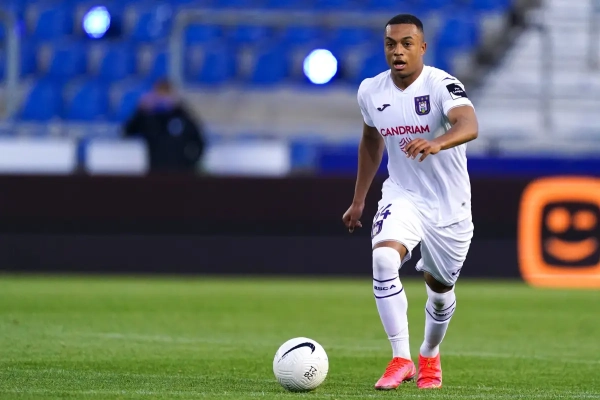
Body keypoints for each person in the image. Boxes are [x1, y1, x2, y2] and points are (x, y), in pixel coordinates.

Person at [342, 14, 479, 390]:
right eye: (391, 44)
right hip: (403, 194)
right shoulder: (371, 91)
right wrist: (359, 200)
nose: (398, 51)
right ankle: (400, 358)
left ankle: (429, 354)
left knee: (440, 294)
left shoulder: (442, 85)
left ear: (422, 47)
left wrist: (437, 142)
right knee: (384, 259)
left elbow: (469, 125)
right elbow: (371, 140)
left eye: (406, 44)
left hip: (449, 206)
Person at [123, 79, 205, 174]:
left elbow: (199, 142)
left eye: (166, 94)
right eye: (159, 95)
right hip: (156, 173)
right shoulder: (148, 118)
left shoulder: (182, 117)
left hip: (181, 173)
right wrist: (141, 110)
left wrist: (190, 162)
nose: (162, 98)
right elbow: (127, 132)